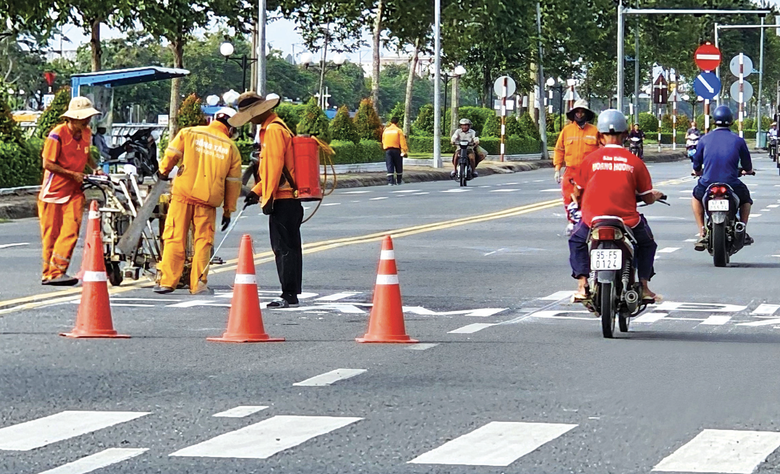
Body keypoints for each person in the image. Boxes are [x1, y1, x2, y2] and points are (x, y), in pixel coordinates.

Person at [568, 109, 664, 302]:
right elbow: (646, 198)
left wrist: (578, 200)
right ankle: (644, 287)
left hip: (593, 220)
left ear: (600, 135)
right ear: (626, 135)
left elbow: (577, 190)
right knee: (646, 244)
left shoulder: (590, 160)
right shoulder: (635, 162)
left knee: (576, 241)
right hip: (627, 221)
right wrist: (655, 195)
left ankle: (582, 285)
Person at [154, 107, 242, 294]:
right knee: (203, 242)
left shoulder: (189, 132)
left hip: (182, 195)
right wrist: (228, 210)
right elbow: (233, 183)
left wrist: (163, 171)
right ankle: (198, 284)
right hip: (207, 201)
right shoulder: (231, 148)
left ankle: (168, 282)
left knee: (174, 237)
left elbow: (171, 154)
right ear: (232, 128)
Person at [233, 92, 303, 308]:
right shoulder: (277, 127)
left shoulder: (272, 130)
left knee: (284, 248)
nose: (250, 120)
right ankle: (291, 293)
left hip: (282, 198)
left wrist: (268, 197)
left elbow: (273, 168)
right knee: (290, 246)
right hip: (288, 197)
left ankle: (288, 294)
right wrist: (256, 191)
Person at [38, 97, 102, 286]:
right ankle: (48, 273)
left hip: (74, 190)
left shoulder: (86, 133)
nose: (87, 121)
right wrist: (71, 174)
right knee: (51, 235)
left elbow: (85, 153)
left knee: (71, 231)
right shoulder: (57, 135)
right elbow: (47, 164)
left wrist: (95, 168)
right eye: (83, 118)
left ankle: (58, 271)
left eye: (88, 118)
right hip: (53, 193)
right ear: (72, 119)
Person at [691, 105, 754, 251]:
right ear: (731, 122)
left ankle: (702, 232)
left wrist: (697, 171)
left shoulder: (704, 139)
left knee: (696, 197)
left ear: (714, 122)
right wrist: (748, 171)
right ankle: (742, 229)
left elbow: (696, 163)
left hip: (707, 183)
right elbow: (747, 165)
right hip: (732, 182)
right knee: (746, 200)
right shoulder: (738, 140)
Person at [553, 100, 600, 233]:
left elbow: (602, 150)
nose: (579, 114)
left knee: (588, 198)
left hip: (589, 173)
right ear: (573, 114)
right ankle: (572, 222)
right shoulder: (567, 131)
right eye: (577, 112)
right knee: (569, 198)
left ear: (586, 114)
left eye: (582, 112)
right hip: (571, 172)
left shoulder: (595, 131)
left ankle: (587, 222)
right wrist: (557, 169)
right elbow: (559, 150)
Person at [382, 117, 408, 185]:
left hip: (388, 150)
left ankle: (390, 181)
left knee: (389, 165)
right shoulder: (398, 130)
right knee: (398, 165)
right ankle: (399, 181)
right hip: (396, 150)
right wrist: (404, 151)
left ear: (390, 122)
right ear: (397, 123)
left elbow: (383, 140)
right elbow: (402, 142)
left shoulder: (386, 130)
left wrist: (385, 148)